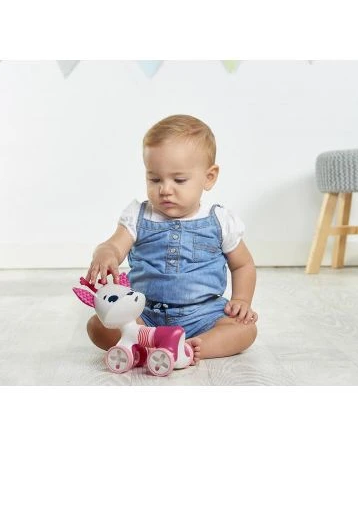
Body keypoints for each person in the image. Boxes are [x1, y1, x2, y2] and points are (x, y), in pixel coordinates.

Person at [84, 114, 258, 363]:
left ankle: (192, 348)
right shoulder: (138, 216)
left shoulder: (221, 220)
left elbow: (243, 264)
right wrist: (105, 253)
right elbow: (114, 245)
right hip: (144, 314)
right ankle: (149, 344)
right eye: (154, 179)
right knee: (97, 326)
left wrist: (241, 300)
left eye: (179, 180)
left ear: (209, 177)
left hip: (204, 314)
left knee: (245, 329)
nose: (165, 189)